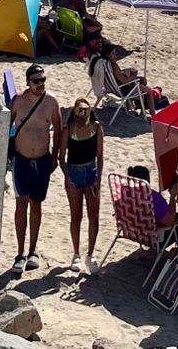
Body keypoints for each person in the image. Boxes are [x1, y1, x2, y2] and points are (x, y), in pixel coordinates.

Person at [9, 65, 61, 272]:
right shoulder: (18, 101)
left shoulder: (51, 102)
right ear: (28, 82)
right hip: (21, 160)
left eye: (43, 80)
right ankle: (20, 252)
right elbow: (6, 126)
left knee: (36, 204)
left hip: (42, 160)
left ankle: (32, 250)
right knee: (21, 204)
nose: (40, 84)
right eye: (36, 81)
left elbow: (58, 131)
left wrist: (56, 157)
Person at [58, 97, 104, 273]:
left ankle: (90, 254)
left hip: (90, 171)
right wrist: (67, 176)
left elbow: (100, 155)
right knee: (76, 215)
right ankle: (76, 253)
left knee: (94, 215)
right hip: (74, 172)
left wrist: (98, 178)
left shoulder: (97, 127)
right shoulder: (68, 130)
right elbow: (62, 157)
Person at [125, 164, 178, 229]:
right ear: (147, 179)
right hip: (149, 232)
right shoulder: (153, 197)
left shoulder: (125, 193)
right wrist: (173, 196)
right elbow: (169, 221)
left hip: (131, 229)